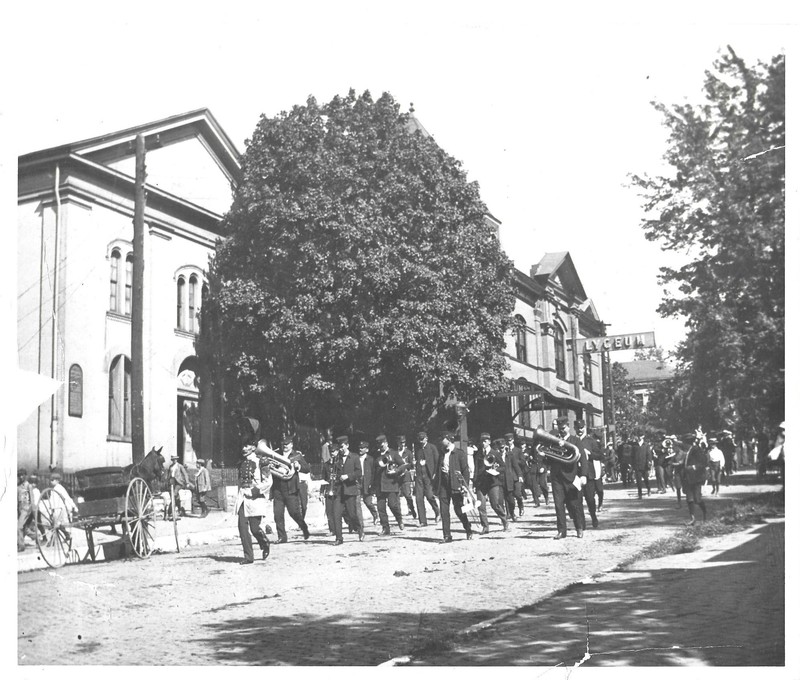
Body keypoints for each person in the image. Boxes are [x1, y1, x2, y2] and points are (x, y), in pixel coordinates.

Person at [234, 425, 272, 564]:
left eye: (247, 445)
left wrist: (255, 490)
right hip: (243, 498)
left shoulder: (262, 461)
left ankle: (264, 543)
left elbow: (268, 481)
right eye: (242, 446)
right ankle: (248, 557)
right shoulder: (242, 462)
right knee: (242, 527)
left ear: (253, 446)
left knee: (255, 528)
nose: (244, 448)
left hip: (256, 499)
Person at [550, 416, 588, 539]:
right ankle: (561, 531)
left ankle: (579, 528)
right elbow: (549, 458)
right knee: (558, 505)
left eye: (564, 428)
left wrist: (583, 475)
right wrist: (542, 455)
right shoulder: (554, 440)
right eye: (560, 429)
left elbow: (583, 458)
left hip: (572, 477)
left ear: (568, 427)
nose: (562, 431)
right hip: (557, 478)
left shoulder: (575, 440)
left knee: (574, 504)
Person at [268, 435, 311, 543]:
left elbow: (307, 468)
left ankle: (304, 527)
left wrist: (298, 466)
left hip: (291, 489)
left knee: (294, 513)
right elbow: (271, 469)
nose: (285, 446)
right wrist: (271, 465)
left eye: (287, 444)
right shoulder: (276, 454)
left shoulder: (297, 455)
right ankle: (282, 537)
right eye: (283, 444)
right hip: (278, 488)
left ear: (291, 444)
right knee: (278, 514)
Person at [436, 432, 473, 542]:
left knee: (459, 510)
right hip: (444, 484)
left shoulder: (459, 453)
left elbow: (465, 470)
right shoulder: (442, 453)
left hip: (456, 485)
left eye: (443, 439)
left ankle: (468, 528)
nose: (441, 441)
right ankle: (447, 535)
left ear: (449, 440)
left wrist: (465, 485)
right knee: (444, 511)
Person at [329, 435, 364, 544]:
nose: (340, 449)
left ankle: (359, 528)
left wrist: (348, 476)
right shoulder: (336, 458)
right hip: (338, 491)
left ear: (347, 445)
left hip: (350, 490)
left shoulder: (354, 457)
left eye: (342, 446)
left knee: (352, 514)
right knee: (336, 514)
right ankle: (339, 538)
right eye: (339, 447)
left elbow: (359, 472)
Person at [474, 434, 509, 533]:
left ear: (489, 442)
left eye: (485, 441)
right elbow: (476, 469)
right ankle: (485, 527)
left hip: (493, 482)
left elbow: (504, 467)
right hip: (481, 482)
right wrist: (475, 482)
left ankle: (504, 520)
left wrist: (496, 469)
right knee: (481, 506)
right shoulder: (478, 454)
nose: (483, 443)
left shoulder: (495, 453)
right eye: (482, 442)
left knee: (495, 504)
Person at [374, 434, 406, 535]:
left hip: (391, 483)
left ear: (386, 443)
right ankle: (385, 528)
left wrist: (396, 471)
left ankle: (399, 519)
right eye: (379, 444)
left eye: (382, 444)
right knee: (381, 508)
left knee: (393, 505)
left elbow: (403, 465)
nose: (380, 446)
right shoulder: (376, 454)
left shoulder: (393, 453)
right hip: (380, 485)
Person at [571, 420, 601, 526]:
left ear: (585, 427)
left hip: (589, 474)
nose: (580, 430)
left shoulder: (591, 441)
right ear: (574, 428)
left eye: (581, 428)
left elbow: (599, 455)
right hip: (576, 474)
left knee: (590, 498)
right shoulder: (572, 440)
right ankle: (581, 522)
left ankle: (593, 517)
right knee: (577, 500)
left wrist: (590, 454)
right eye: (577, 428)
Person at [682, 428, 710, 525]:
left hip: (696, 478)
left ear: (687, 443)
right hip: (688, 478)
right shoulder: (687, 451)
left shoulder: (697, 450)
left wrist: (693, 467)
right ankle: (692, 518)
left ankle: (705, 513)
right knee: (689, 499)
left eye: (684, 443)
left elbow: (703, 462)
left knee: (697, 499)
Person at [413, 431, 440, 526]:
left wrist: (435, 474)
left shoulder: (432, 448)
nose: (421, 441)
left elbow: (437, 462)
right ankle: (423, 521)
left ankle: (437, 511)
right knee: (419, 498)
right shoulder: (417, 449)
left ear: (426, 438)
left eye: (422, 439)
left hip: (429, 476)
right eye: (419, 439)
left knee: (429, 496)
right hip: (419, 476)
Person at [498, 435, 524, 521]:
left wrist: (520, 475)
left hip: (513, 477)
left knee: (515, 497)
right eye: (500, 448)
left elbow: (516, 466)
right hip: (502, 479)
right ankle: (508, 515)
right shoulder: (496, 455)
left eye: (503, 447)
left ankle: (516, 509)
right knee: (503, 499)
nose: (502, 449)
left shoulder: (511, 454)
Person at [358, 440, 380, 526]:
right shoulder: (356, 458)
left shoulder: (371, 459)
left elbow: (373, 472)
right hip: (358, 480)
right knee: (355, 502)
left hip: (367, 481)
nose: (360, 449)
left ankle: (375, 514)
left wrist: (372, 484)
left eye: (362, 448)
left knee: (367, 502)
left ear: (367, 450)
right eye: (359, 448)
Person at [396, 435, 417, 520]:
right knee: (396, 496)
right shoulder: (394, 452)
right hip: (396, 477)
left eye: (404, 442)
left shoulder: (408, 452)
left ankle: (412, 509)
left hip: (406, 476)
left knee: (407, 495)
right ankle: (398, 514)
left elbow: (412, 464)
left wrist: (406, 466)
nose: (402, 444)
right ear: (398, 443)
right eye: (401, 443)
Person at [504, 433, 526, 517]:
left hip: (516, 475)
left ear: (513, 440)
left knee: (517, 494)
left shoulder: (518, 450)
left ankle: (521, 506)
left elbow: (523, 462)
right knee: (508, 495)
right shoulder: (504, 450)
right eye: (507, 441)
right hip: (507, 475)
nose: (508, 442)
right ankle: (509, 513)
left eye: (509, 440)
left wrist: (515, 461)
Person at [631, 433, 653, 499]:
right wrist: (632, 465)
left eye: (640, 436)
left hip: (645, 465)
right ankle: (639, 494)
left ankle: (648, 489)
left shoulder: (646, 445)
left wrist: (649, 462)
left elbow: (649, 455)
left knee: (646, 479)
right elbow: (632, 456)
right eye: (638, 436)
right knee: (638, 480)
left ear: (643, 436)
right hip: (637, 465)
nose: (639, 437)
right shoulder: (634, 445)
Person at [17, 469, 33, 552]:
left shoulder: (28, 486)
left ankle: (21, 546)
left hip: (26, 508)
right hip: (20, 508)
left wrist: (32, 509)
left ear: (25, 475)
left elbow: (32, 499)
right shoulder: (18, 486)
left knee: (19, 527)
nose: (21, 477)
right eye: (19, 475)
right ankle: (37, 538)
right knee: (25, 528)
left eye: (22, 475)